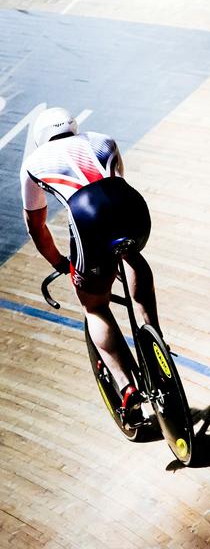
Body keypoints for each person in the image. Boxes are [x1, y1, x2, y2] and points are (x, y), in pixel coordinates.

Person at [20, 107, 161, 427]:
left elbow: (37, 227)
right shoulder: (103, 141)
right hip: (131, 206)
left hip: (88, 216)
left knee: (95, 307)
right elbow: (116, 183)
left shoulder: (34, 164)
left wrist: (60, 263)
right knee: (131, 253)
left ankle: (128, 391)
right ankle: (154, 336)